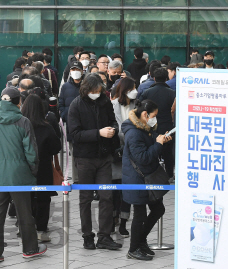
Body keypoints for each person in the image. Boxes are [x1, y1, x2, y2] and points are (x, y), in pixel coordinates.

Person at [0, 87, 46, 263]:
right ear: (19, 102)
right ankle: (30, 248)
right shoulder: (24, 122)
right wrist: (32, 171)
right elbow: (31, 152)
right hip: (20, 175)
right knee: (24, 213)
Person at [67, 73, 121, 250]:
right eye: (95, 91)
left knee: (107, 196)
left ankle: (104, 236)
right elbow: (74, 135)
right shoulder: (76, 105)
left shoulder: (104, 102)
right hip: (85, 159)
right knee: (86, 198)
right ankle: (87, 236)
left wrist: (113, 129)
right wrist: (98, 133)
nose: (97, 93)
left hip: (104, 157)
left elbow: (114, 121)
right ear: (87, 89)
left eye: (100, 91)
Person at [122, 100, 171, 261]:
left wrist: (161, 139)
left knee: (158, 209)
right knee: (140, 215)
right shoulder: (133, 133)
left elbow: (150, 142)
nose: (154, 119)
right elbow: (143, 158)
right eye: (154, 116)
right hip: (137, 179)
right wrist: (157, 144)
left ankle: (140, 241)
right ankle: (133, 248)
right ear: (144, 114)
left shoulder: (144, 128)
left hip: (146, 178)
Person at [21, 94, 61, 242]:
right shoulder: (46, 127)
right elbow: (56, 147)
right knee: (43, 199)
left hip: (23, 169)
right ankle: (41, 229)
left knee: (25, 198)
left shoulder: (19, 126)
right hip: (43, 168)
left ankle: (25, 227)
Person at [111, 77, 138, 237]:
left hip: (131, 153)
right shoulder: (114, 106)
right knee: (115, 188)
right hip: (117, 151)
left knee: (127, 189)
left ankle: (123, 222)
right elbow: (116, 127)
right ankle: (113, 217)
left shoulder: (138, 104)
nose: (135, 90)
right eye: (133, 87)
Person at [138, 68, 176, 180]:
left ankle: (153, 174)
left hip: (150, 126)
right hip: (167, 126)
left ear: (154, 78)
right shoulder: (172, 93)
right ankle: (169, 174)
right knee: (168, 152)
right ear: (166, 78)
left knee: (152, 150)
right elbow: (173, 110)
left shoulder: (147, 92)